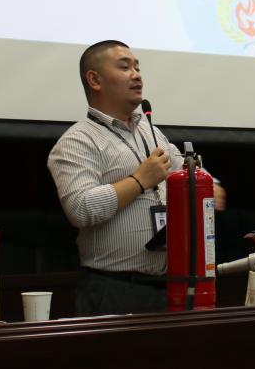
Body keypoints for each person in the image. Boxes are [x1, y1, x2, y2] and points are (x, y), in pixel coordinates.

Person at [48, 40, 226, 316]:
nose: (136, 75)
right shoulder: (78, 141)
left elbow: (188, 168)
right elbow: (80, 209)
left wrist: (209, 186)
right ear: (94, 80)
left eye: (137, 68)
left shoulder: (150, 131)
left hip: (170, 285)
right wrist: (140, 180)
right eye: (124, 67)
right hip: (113, 289)